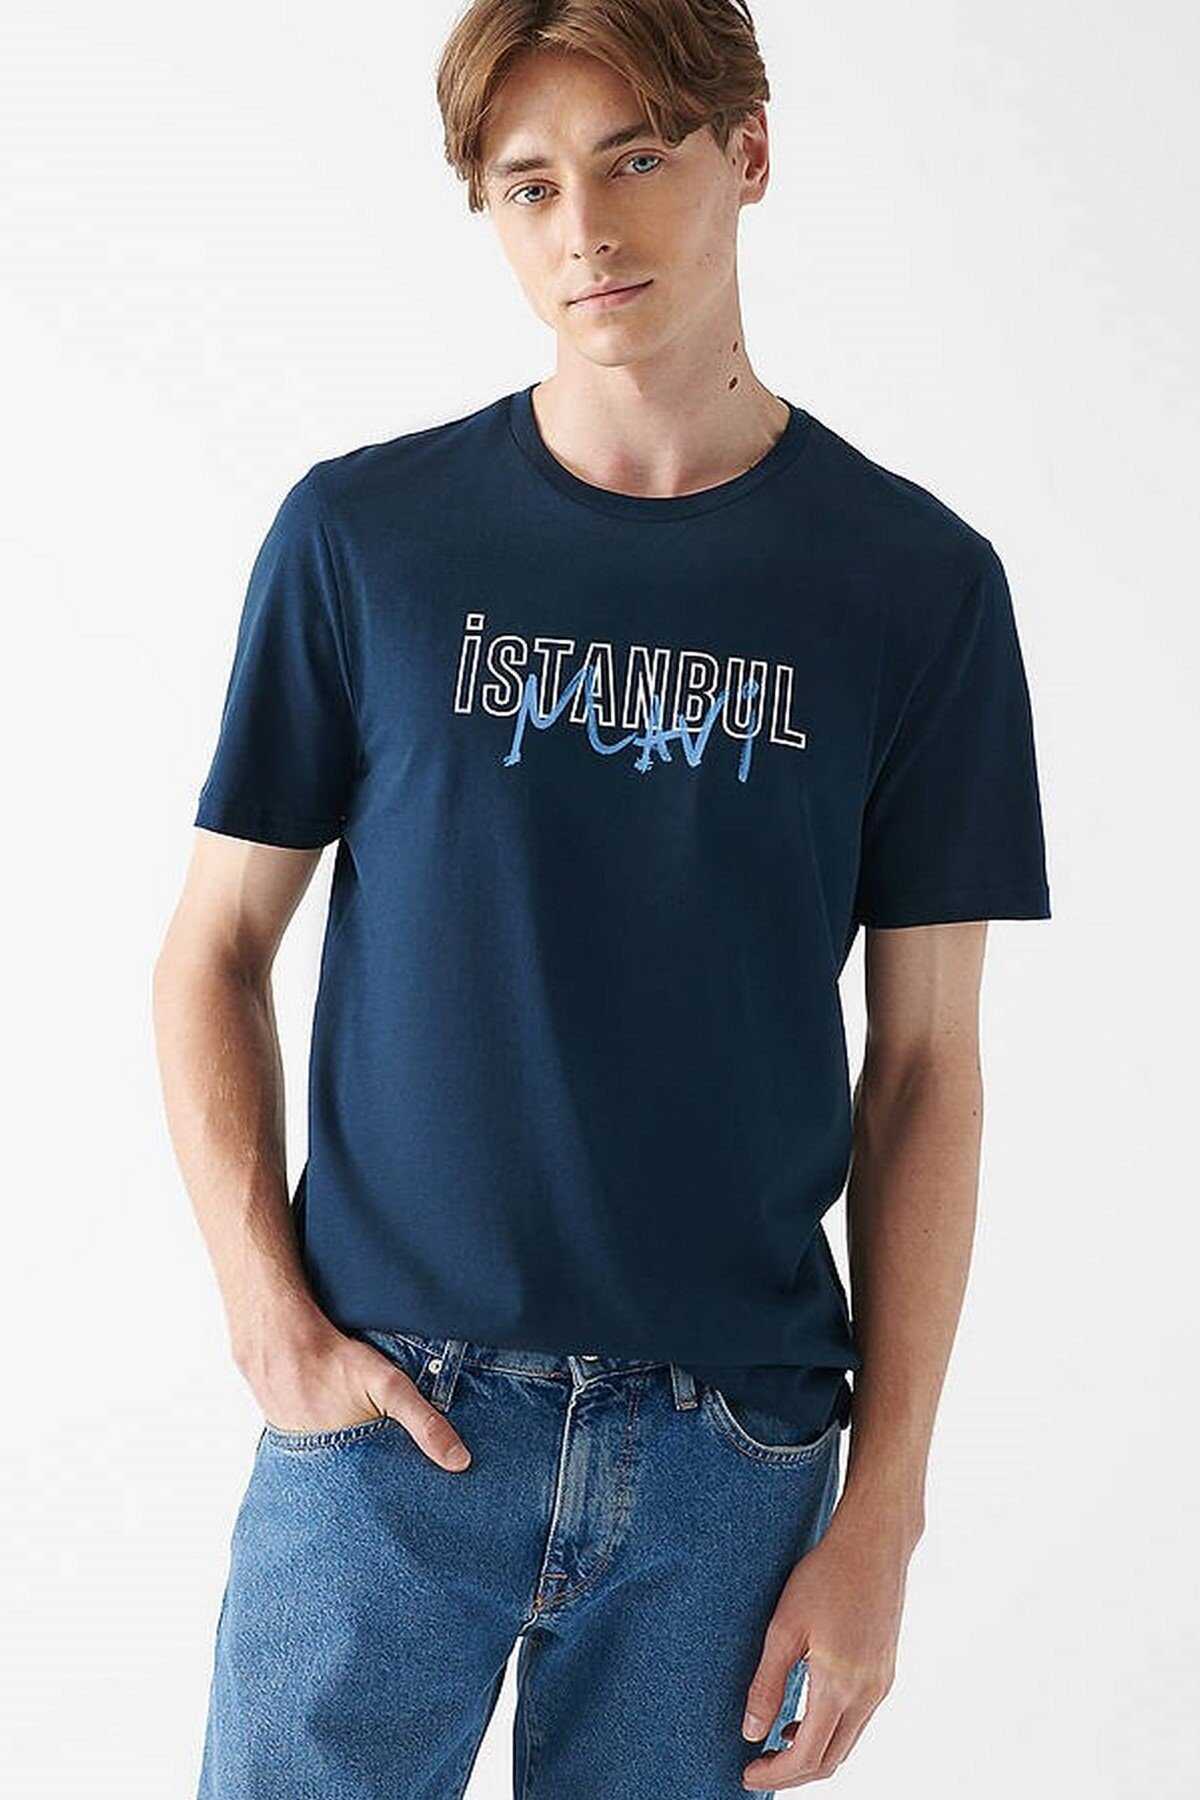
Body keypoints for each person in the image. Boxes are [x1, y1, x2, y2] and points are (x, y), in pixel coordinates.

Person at [151, 2, 1051, 1794]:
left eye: (635, 159)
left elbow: (926, 1068)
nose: (585, 229)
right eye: (529, 183)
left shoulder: (916, 585)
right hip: (390, 1422)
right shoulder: (365, 540)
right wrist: (270, 1320)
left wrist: (885, 1510)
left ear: (750, 154)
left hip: (731, 1460)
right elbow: (213, 950)